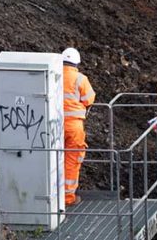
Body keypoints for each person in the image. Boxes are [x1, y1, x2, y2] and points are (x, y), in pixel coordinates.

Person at [61, 47, 95, 206]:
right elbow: (89, 99)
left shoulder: (52, 75)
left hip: (51, 125)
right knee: (72, 160)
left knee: (51, 158)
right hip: (74, 126)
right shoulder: (80, 78)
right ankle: (67, 198)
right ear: (76, 63)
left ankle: (51, 195)